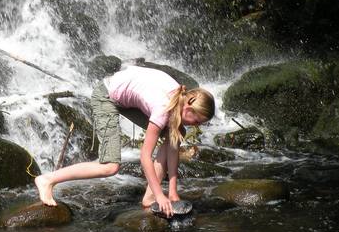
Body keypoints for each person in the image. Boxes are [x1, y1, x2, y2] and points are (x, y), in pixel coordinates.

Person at [35, 65, 215, 215]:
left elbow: (173, 146)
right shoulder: (162, 109)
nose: (196, 126)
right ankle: (48, 179)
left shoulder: (180, 97)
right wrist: (163, 195)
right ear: (189, 108)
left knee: (176, 132)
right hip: (107, 96)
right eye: (197, 121)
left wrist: (173, 191)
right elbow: (145, 157)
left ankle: (150, 196)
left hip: (126, 95)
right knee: (110, 167)